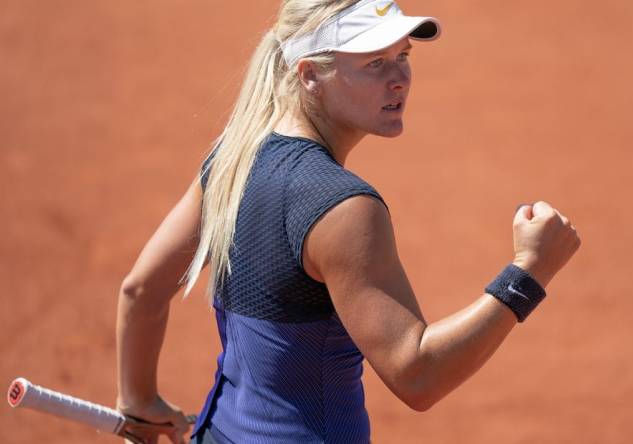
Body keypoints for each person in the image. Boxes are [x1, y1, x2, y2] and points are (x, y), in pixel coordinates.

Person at [114, 0, 581, 443]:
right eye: (374, 63)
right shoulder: (342, 206)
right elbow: (417, 374)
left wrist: (139, 400)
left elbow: (141, 290)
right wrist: (529, 272)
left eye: (403, 55)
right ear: (310, 75)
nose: (399, 78)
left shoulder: (232, 159)